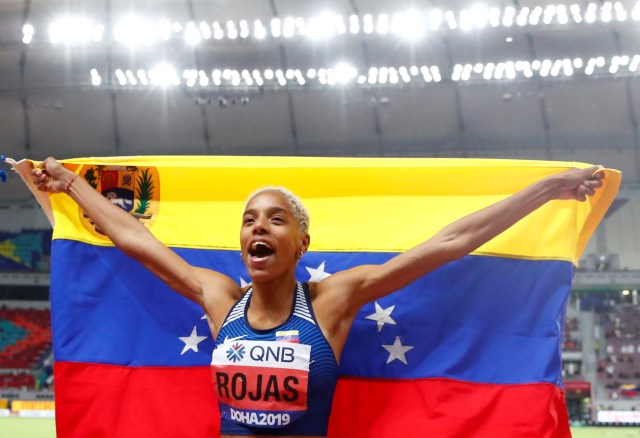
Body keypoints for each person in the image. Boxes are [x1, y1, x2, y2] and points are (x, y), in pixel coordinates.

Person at [32, 157, 604, 438]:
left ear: (301, 241)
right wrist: (70, 184)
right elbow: (132, 236)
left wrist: (548, 189)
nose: (259, 227)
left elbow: (449, 244)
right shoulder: (219, 300)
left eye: (276, 219)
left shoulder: (332, 301)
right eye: (249, 220)